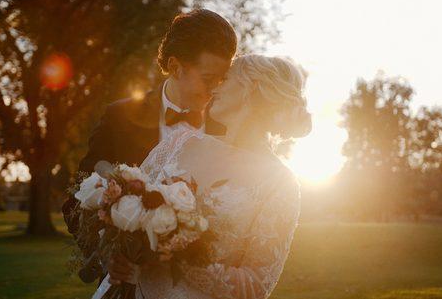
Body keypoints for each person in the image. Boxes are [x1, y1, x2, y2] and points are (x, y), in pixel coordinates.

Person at [62, 8, 238, 285]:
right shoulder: (119, 118)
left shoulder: (229, 130)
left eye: (222, 79)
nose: (215, 89)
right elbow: (76, 200)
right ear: (177, 67)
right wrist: (105, 254)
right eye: (208, 78)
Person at [130, 54, 311, 299]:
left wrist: (181, 258)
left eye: (226, 78)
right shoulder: (178, 142)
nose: (215, 86)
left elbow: (256, 285)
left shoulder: (280, 183)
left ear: (251, 89)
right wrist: (119, 254)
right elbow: (129, 202)